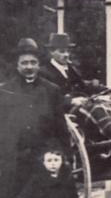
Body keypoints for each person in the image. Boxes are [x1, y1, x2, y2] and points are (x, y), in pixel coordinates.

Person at [0, 38, 66, 197]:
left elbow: (61, 128)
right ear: (17, 65)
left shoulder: (51, 90)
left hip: (43, 158)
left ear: (38, 65)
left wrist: (65, 158)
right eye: (24, 63)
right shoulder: (4, 91)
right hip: (12, 161)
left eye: (33, 62)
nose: (29, 67)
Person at [40, 32, 105, 109]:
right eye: (62, 51)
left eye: (68, 51)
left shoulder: (71, 69)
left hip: (81, 107)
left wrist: (96, 88)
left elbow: (82, 86)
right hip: (62, 113)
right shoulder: (44, 72)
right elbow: (47, 99)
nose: (66, 55)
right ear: (51, 52)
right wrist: (71, 101)